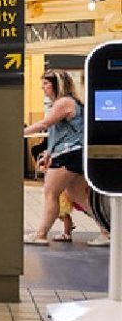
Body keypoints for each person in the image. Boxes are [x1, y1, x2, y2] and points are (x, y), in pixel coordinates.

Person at [24, 70, 110, 246]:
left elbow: (45, 124)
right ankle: (107, 230)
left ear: (57, 84)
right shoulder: (68, 103)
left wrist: (20, 132)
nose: (43, 88)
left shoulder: (64, 102)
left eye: (46, 84)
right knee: (78, 196)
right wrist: (48, 152)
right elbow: (57, 133)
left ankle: (40, 234)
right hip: (74, 154)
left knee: (51, 193)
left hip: (68, 155)